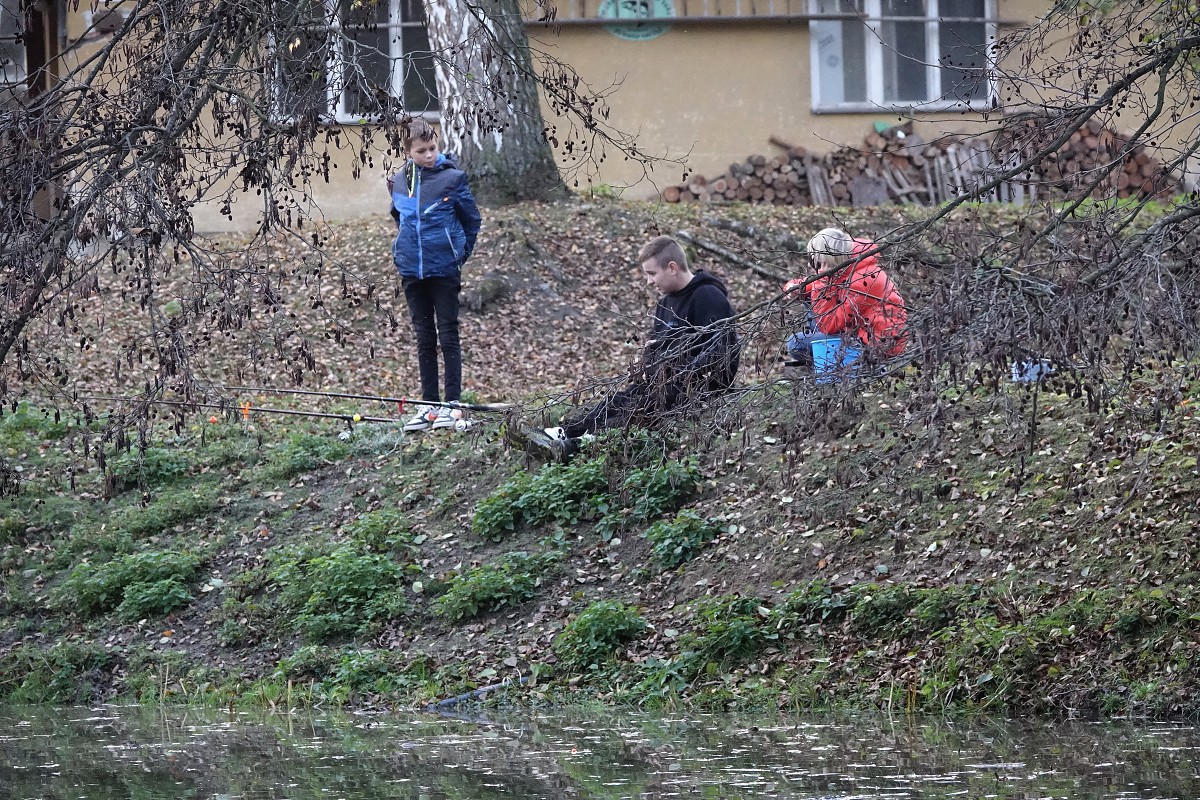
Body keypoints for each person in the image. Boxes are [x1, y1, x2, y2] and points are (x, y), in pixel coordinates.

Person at [515, 235, 740, 459]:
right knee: (618, 400)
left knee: (641, 408)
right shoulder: (664, 305)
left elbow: (721, 353)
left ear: (672, 267)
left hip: (696, 386)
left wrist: (677, 372)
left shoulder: (708, 296)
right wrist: (645, 363)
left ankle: (580, 445)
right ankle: (562, 434)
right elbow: (658, 347)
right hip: (661, 382)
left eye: (652, 274)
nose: (649, 282)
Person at [387, 119, 482, 431]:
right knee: (424, 338)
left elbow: (471, 221)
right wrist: (402, 251)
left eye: (432, 148)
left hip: (444, 269)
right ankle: (428, 405)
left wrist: (458, 255)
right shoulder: (399, 181)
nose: (429, 155)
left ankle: (452, 405)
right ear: (408, 151)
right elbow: (399, 218)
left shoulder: (453, 178)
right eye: (422, 151)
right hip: (412, 271)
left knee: (448, 334)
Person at [782, 228, 907, 372]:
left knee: (796, 344)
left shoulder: (861, 282)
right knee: (806, 305)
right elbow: (805, 284)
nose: (814, 267)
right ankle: (827, 362)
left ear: (830, 259)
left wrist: (820, 283)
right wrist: (795, 287)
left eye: (818, 262)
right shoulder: (854, 267)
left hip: (876, 344)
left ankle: (851, 367)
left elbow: (829, 325)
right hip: (861, 334)